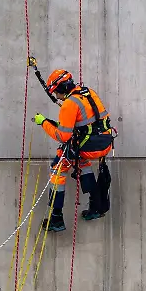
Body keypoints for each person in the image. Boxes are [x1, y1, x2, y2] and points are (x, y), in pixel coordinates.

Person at [32, 66, 115, 232]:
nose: (57, 97)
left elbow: (63, 136)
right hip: (104, 143)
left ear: (62, 88)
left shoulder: (69, 104)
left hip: (88, 146)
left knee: (57, 169)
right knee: (82, 162)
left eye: (56, 92)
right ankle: (95, 206)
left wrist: (43, 122)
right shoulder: (88, 92)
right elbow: (86, 122)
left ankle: (56, 218)